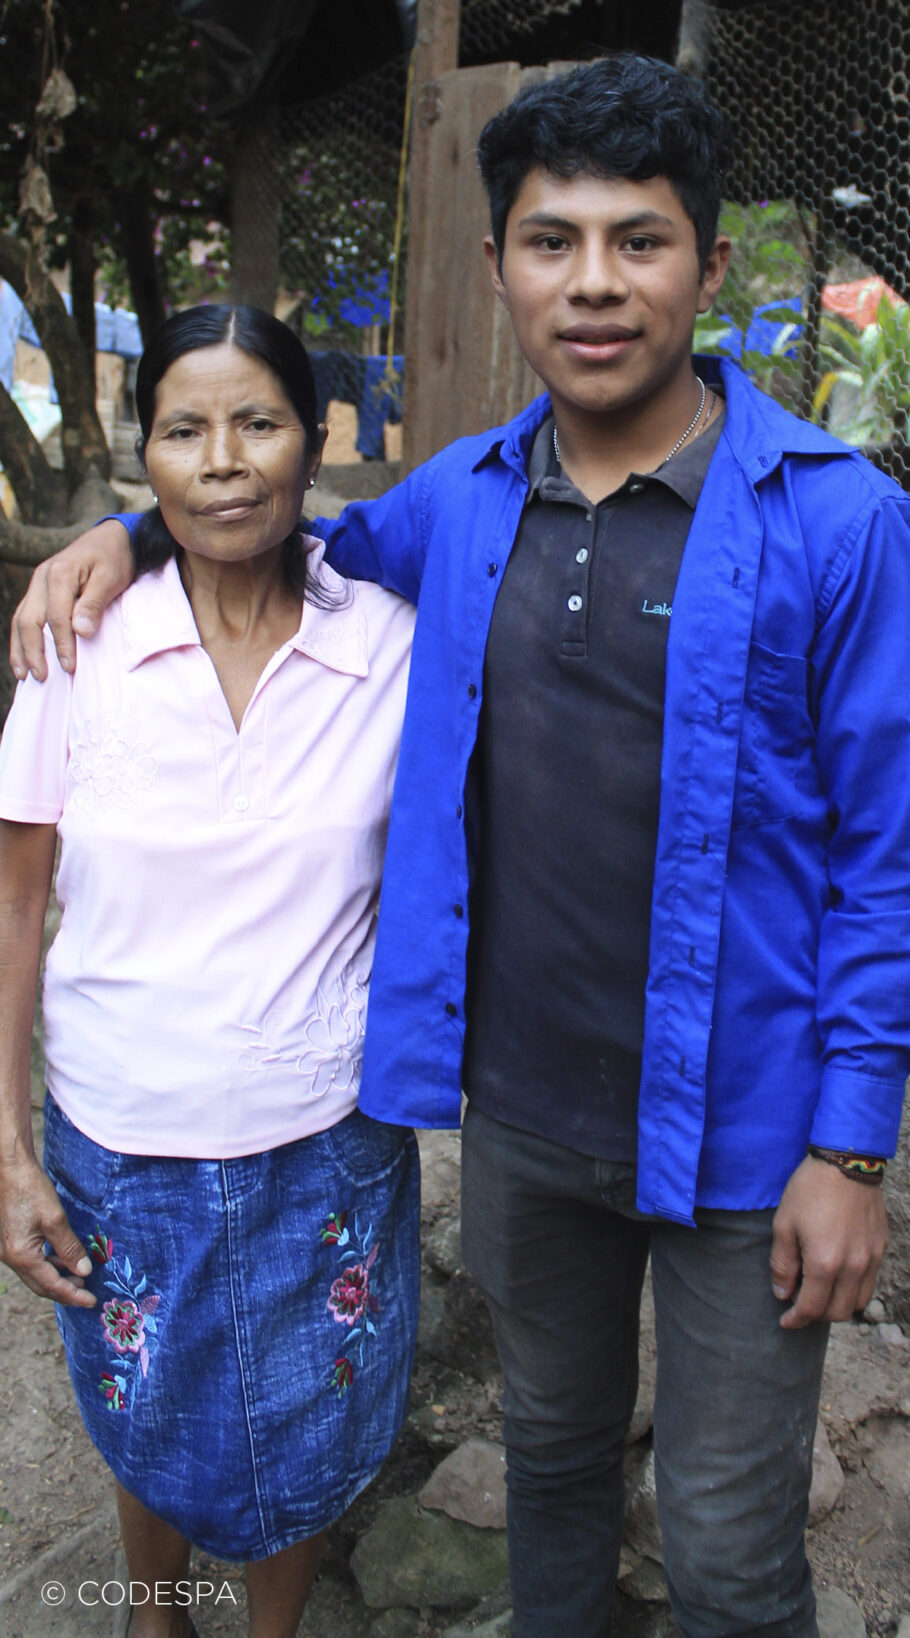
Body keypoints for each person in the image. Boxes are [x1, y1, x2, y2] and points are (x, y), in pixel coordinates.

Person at [11, 54, 910, 1638]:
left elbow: (882, 854)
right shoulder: (465, 499)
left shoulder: (835, 520)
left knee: (721, 1534)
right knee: (550, 1460)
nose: (592, 283)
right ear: (497, 267)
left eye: (638, 240)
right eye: (549, 242)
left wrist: (847, 1148)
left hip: (749, 1130)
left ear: (707, 265)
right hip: (523, 1117)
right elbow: (276, 517)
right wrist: (125, 525)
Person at [0, 304, 419, 1638]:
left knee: (303, 1410)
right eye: (184, 429)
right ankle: (153, 1612)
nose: (224, 458)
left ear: (313, 443)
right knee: (149, 1389)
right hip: (120, 1129)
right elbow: (15, 905)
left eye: (259, 421)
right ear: (149, 459)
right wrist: (6, 1147)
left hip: (325, 1127)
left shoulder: (389, 644)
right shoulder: (78, 646)